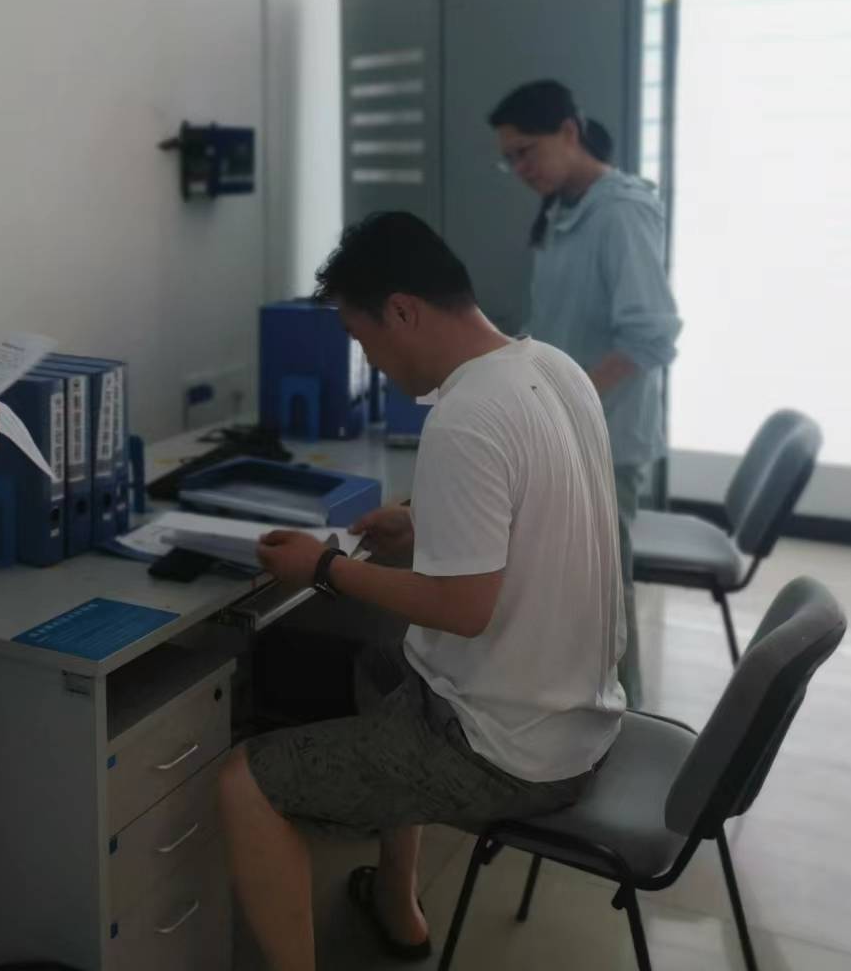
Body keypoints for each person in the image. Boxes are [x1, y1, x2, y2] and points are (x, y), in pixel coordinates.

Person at [218, 211, 625, 971]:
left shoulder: (465, 416)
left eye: (364, 339)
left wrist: (324, 568)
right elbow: (537, 512)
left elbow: (462, 610)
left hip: (510, 752)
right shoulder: (554, 368)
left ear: (403, 311)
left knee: (246, 782)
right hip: (579, 713)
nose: (371, 364)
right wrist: (422, 522)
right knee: (382, 665)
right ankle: (396, 903)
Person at [489, 79, 681, 708]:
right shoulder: (564, 209)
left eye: (527, 151)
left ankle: (628, 728)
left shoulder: (620, 211)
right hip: (562, 433)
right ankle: (568, 718)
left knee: (603, 598)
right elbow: (555, 322)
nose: (520, 168)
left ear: (569, 132)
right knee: (565, 594)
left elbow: (651, 336)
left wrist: (568, 395)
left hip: (604, 440)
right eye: (509, 159)